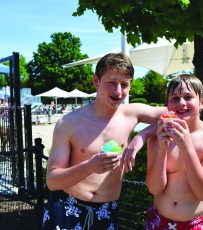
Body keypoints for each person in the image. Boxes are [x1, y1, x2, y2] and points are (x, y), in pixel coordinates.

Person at [42, 53, 166, 229]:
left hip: (107, 209)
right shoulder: (69, 123)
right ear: (96, 81)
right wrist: (89, 167)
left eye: (124, 84)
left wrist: (141, 137)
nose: (118, 91)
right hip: (67, 206)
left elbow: (178, 115)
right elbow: (53, 181)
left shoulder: (132, 114)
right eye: (111, 83)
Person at [146, 74, 203, 229]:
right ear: (168, 104)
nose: (181, 103)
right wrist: (162, 150)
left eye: (188, 97)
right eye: (175, 98)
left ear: (202, 102)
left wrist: (187, 147)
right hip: (159, 220)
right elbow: (154, 188)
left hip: (198, 223)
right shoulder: (157, 137)